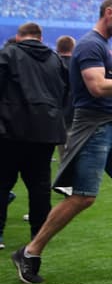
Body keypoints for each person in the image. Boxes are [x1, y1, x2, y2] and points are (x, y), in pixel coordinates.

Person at [11, 0, 112, 284]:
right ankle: (30, 252)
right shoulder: (90, 45)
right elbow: (97, 87)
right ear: (109, 13)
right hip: (95, 127)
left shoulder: (101, 46)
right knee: (83, 196)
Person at [0, 22, 68, 254]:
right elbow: (64, 92)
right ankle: (38, 238)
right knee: (40, 187)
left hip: (11, 130)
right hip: (46, 131)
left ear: (19, 37)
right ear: (39, 37)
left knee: (2, 183)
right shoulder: (54, 58)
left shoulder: (8, 53)